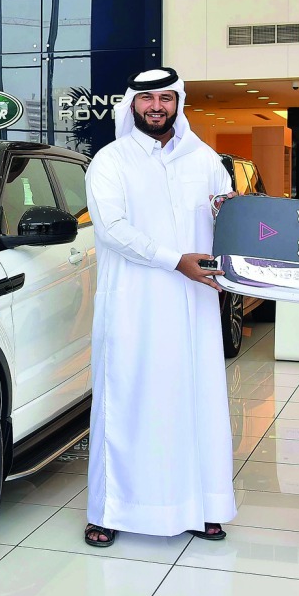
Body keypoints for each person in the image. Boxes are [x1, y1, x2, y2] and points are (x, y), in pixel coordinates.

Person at [82, 67, 237, 547]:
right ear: (131, 105)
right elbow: (112, 230)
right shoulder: (111, 161)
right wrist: (176, 261)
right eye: (146, 98)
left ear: (178, 103)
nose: (156, 106)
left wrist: (231, 217)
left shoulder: (205, 159)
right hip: (134, 307)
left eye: (166, 98)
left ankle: (202, 506)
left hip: (192, 308)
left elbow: (224, 221)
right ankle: (109, 510)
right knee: (127, 401)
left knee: (195, 402)